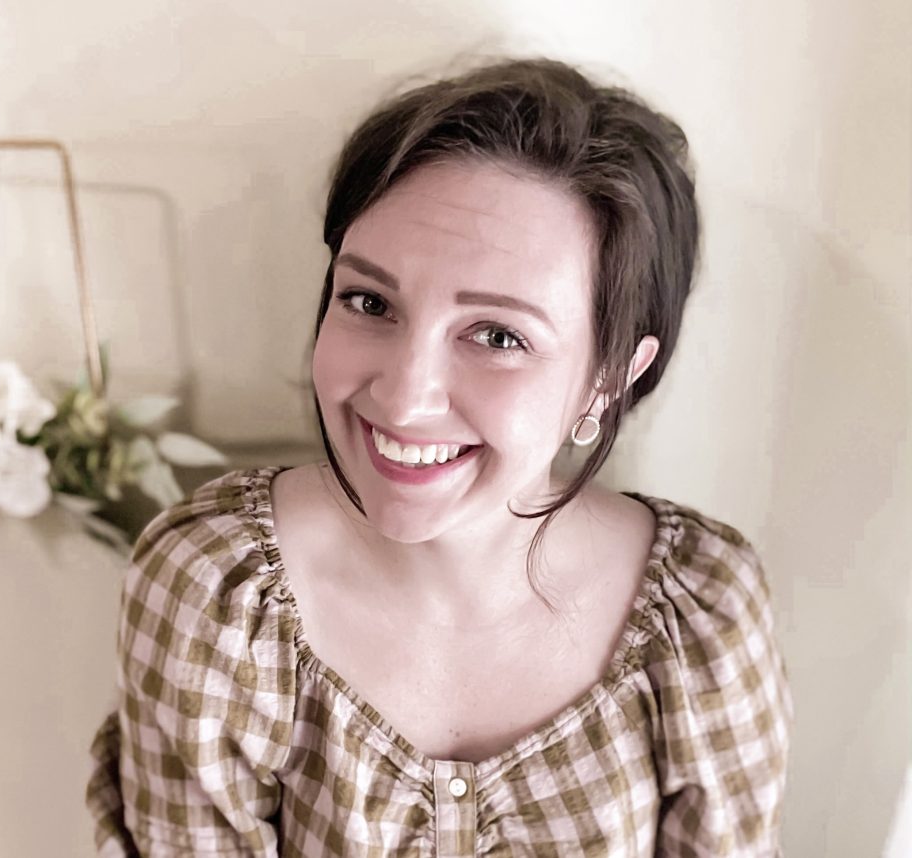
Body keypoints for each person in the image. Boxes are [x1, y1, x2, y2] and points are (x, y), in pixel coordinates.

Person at [86, 57, 792, 856]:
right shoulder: (211, 598)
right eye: (369, 301)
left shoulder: (704, 618)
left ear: (611, 376)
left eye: (497, 336)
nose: (403, 397)